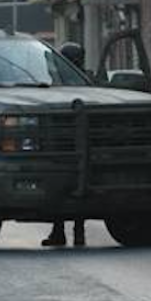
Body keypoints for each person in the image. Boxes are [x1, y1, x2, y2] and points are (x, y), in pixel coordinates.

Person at [43, 42, 87, 248]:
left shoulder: (60, 82)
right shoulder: (86, 81)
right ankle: (76, 233)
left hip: (62, 143)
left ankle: (60, 232)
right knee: (79, 188)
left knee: (61, 189)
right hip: (81, 144)